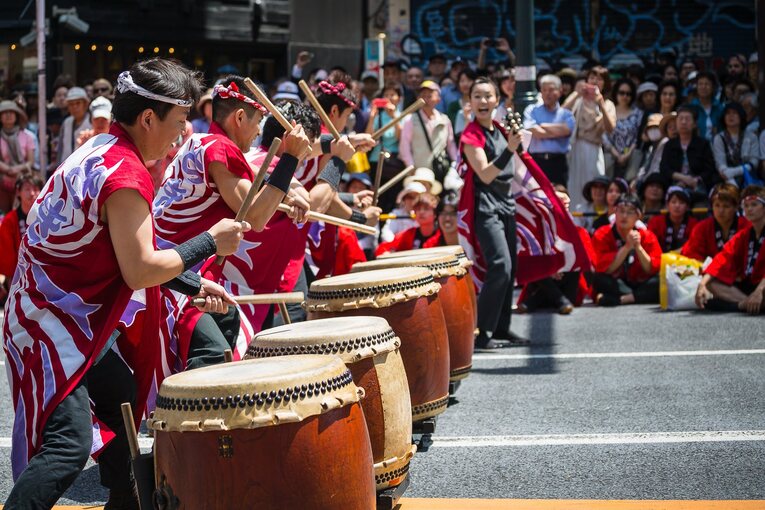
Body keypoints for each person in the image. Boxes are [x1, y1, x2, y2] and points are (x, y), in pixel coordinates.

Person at [3, 57, 248, 510]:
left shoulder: (99, 147)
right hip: (50, 323)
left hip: (55, 312)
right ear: (149, 117)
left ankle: (125, 500)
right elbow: (139, 269)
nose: (183, 134)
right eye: (179, 122)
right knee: (69, 445)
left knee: (120, 396)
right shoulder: (125, 174)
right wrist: (211, 241)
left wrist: (193, 285)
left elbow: (131, 249)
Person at [152, 75, 312, 367]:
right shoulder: (221, 149)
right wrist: (290, 158)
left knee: (228, 322)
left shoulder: (198, 142)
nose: (258, 133)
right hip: (174, 280)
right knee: (212, 354)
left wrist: (286, 196)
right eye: (258, 121)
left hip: (174, 271)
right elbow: (256, 217)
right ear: (240, 116)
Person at [459, 76, 526, 349]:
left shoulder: (500, 129)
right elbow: (485, 174)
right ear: (470, 102)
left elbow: (520, 171)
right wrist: (510, 149)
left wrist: (548, 194)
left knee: (511, 270)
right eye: (477, 96)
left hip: (507, 204)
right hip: (485, 206)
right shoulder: (470, 135)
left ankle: (501, 329)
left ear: (497, 100)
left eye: (488, 96)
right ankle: (482, 332)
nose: (483, 101)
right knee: (500, 265)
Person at [517, 184, 594, 314]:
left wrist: (561, 266)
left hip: (568, 283)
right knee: (535, 266)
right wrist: (550, 269)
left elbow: (587, 263)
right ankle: (559, 300)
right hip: (544, 279)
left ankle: (537, 301)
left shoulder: (579, 232)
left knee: (574, 263)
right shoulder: (537, 231)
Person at [696, 185, 765, 314]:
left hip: (762, 286)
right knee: (712, 282)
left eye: (754, 205)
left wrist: (759, 291)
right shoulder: (743, 235)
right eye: (746, 205)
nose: (749, 209)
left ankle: (742, 305)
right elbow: (723, 258)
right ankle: (747, 304)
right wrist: (702, 283)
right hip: (748, 286)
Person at [590, 194, 662, 306]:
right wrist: (627, 247)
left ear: (638, 215)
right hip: (617, 282)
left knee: (661, 280)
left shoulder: (647, 235)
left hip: (640, 282)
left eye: (630, 212)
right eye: (621, 211)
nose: (624, 216)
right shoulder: (602, 233)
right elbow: (606, 269)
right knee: (598, 279)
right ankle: (638, 297)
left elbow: (650, 269)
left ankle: (621, 300)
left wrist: (638, 247)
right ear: (615, 212)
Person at [562, 65, 616, 208]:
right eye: (592, 77)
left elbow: (610, 128)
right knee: (574, 186)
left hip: (593, 148)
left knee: (594, 185)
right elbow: (561, 113)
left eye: (599, 79)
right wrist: (576, 94)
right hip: (576, 147)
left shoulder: (608, 104)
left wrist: (601, 104)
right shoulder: (578, 100)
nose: (595, 81)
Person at [399, 80, 458, 185]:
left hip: (439, 171)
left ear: (438, 99)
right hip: (418, 173)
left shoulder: (444, 120)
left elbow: (450, 144)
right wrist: (410, 166)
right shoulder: (410, 119)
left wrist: (455, 163)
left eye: (430, 96)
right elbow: (404, 145)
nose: (425, 99)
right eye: (422, 95)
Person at [523, 74, 575, 186]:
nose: (547, 93)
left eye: (551, 90)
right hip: (537, 162)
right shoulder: (531, 110)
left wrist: (542, 126)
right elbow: (533, 131)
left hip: (558, 163)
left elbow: (567, 130)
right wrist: (557, 130)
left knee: (560, 199)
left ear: (560, 91)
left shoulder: (566, 114)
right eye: (544, 90)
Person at [659, 105, 718, 203]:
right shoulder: (669, 144)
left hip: (697, 185)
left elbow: (709, 168)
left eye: (687, 119)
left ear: (694, 124)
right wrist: (682, 179)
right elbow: (664, 168)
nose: (683, 122)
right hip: (675, 184)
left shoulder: (703, 144)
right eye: (680, 119)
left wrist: (695, 180)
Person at [682, 183, 750, 262]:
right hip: (707, 271)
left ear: (736, 207)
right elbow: (693, 255)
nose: (721, 211)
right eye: (717, 205)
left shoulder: (746, 227)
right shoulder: (702, 228)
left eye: (726, 206)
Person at [0, 172, 42, 298]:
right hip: (18, 276)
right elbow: (7, 258)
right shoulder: (10, 220)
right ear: (18, 192)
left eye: (36, 189)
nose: (32, 193)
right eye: (27, 189)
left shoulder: (47, 216)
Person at [603, 77, 643, 180]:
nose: (625, 96)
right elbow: (604, 136)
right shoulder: (608, 111)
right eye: (622, 93)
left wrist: (627, 154)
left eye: (628, 94)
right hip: (610, 154)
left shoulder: (638, 113)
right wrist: (616, 154)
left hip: (631, 155)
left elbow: (637, 137)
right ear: (616, 93)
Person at [712, 102, 760, 188]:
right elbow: (720, 163)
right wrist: (730, 179)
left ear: (741, 116)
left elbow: (754, 162)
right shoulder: (719, 138)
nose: (731, 116)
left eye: (734, 113)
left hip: (749, 178)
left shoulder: (752, 137)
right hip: (726, 179)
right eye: (728, 113)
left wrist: (736, 171)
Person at [375, 192, 442, 254]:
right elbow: (382, 248)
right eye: (418, 209)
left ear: (435, 213)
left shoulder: (442, 235)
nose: (421, 212)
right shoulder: (408, 234)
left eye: (426, 209)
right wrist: (386, 253)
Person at [0, 100, 35, 212]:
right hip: (2, 181)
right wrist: (8, 170)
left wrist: (16, 170)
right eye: (5, 112)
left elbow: (30, 162)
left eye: (12, 112)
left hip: (22, 182)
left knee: (21, 214)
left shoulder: (27, 136)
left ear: (17, 116)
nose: (8, 115)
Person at [647, 186, 698, 252]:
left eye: (681, 203)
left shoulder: (694, 224)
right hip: (659, 257)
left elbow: (694, 245)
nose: (677, 206)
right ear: (667, 205)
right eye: (673, 202)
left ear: (687, 207)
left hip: (686, 258)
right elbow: (650, 242)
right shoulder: (656, 222)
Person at [58, 87, 92, 164]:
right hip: (66, 167)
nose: (74, 107)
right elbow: (60, 148)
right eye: (71, 104)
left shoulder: (91, 121)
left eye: (78, 103)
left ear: (85, 105)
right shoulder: (66, 122)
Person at [688, 71, 723, 142]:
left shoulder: (720, 108)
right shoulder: (690, 108)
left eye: (707, 84)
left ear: (713, 87)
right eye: (700, 84)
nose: (703, 87)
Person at [446, 69, 477, 138]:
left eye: (469, 80)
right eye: (462, 81)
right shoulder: (453, 106)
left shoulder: (480, 104)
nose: (465, 84)